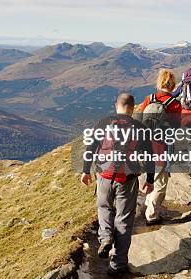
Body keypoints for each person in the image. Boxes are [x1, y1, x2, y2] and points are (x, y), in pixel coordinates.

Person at [80, 93, 154, 276]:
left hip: (104, 175)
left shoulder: (103, 123)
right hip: (127, 180)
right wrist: (150, 180)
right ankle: (118, 265)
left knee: (104, 207)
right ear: (133, 107)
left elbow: (90, 147)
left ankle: (105, 238)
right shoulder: (139, 128)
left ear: (116, 106)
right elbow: (150, 157)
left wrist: (85, 170)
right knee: (124, 220)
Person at [139, 69, 181, 225]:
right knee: (160, 184)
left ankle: (147, 205)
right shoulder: (175, 104)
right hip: (161, 147)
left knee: (151, 177)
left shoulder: (148, 99)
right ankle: (152, 215)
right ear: (172, 84)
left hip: (144, 145)